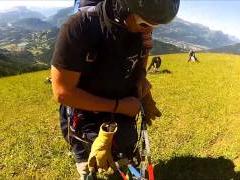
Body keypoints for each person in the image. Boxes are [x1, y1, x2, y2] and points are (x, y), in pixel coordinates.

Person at [51, 0, 180, 179]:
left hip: (121, 103)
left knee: (126, 140)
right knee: (88, 162)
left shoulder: (140, 29)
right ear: (122, 8)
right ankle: (84, 165)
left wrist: (141, 75)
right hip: (84, 111)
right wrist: (119, 106)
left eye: (154, 27)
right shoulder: (79, 27)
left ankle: (121, 156)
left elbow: (142, 53)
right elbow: (62, 92)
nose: (148, 30)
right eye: (144, 24)